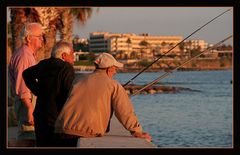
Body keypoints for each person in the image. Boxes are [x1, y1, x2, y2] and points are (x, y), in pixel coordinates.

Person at [55, 52, 152, 147]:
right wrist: (137, 131)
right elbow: (124, 111)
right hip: (86, 132)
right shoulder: (114, 85)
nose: (115, 72)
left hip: (62, 130)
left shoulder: (79, 79)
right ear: (109, 69)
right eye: (115, 68)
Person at [22, 41, 75, 147]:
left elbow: (26, 74)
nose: (73, 58)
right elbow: (68, 94)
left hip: (40, 116)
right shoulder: (66, 68)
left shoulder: (44, 63)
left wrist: (37, 91)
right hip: (57, 117)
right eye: (72, 54)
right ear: (64, 55)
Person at [9, 22, 43, 141]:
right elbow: (23, 84)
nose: (42, 39)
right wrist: (29, 108)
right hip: (26, 102)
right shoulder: (24, 56)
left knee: (30, 138)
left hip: (28, 101)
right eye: (39, 36)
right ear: (29, 38)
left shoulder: (29, 54)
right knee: (28, 138)